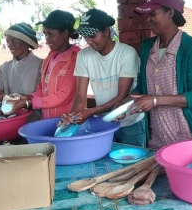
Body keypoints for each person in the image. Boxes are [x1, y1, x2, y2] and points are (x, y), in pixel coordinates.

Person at [122, 0, 192, 150]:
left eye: (153, 14)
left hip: (186, 133)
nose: (149, 20)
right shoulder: (147, 47)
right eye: (148, 16)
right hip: (157, 136)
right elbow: (142, 88)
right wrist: (123, 105)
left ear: (170, 13)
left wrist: (155, 100)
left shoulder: (191, 48)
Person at [60, 8, 146, 147]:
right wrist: (73, 117)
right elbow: (80, 96)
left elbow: (121, 96)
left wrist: (90, 112)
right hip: (104, 122)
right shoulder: (84, 56)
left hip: (130, 123)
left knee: (133, 164)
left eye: (92, 35)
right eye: (85, 36)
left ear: (106, 31)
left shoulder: (126, 53)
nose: (89, 41)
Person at [9, 10, 80, 119]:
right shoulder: (50, 57)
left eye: (50, 34)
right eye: (45, 34)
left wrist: (29, 103)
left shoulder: (76, 57)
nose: (47, 39)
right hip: (47, 120)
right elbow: (42, 88)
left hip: (68, 123)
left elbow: (64, 95)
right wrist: (27, 97)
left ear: (65, 33)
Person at [0, 22, 42, 102]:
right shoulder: (4, 68)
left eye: (13, 41)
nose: (10, 45)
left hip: (34, 114)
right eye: (8, 41)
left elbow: (42, 94)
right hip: (9, 114)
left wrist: (24, 100)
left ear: (26, 42)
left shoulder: (41, 65)